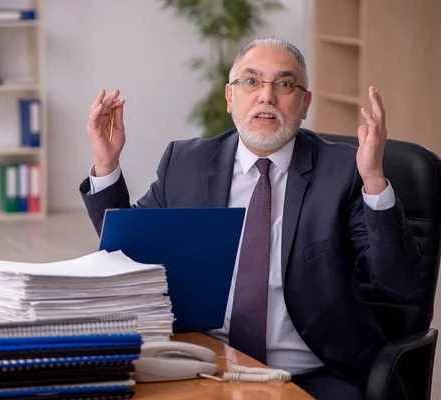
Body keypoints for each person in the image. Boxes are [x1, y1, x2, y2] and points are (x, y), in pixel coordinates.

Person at [78, 37, 421, 400]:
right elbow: (128, 255)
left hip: (314, 372)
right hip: (207, 365)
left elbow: (398, 283)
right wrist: (107, 164)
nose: (266, 97)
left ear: (305, 104)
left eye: (284, 85)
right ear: (230, 97)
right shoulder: (186, 163)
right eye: (251, 81)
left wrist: (373, 180)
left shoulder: (343, 172)